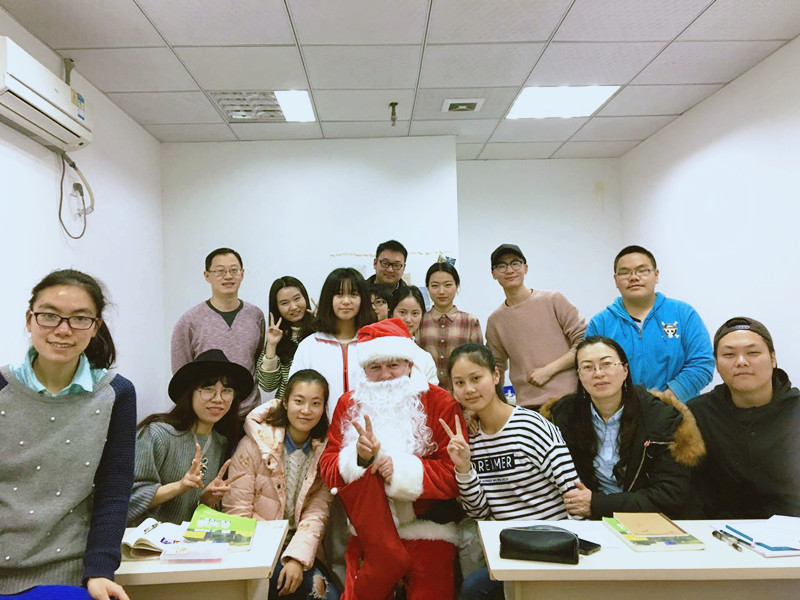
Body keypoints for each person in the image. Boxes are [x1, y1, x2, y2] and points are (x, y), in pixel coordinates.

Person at [0, 269, 136, 600]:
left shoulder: (116, 394)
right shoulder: (2, 387)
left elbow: (114, 490)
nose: (63, 330)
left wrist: (101, 570)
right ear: (29, 320)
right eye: (49, 316)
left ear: (95, 326)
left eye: (79, 319)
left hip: (68, 573)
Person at [319, 318, 465, 600]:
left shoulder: (440, 402)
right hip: (369, 536)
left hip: (427, 531)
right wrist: (359, 459)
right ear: (364, 369)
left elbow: (454, 475)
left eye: (393, 365)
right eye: (375, 367)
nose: (385, 375)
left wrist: (399, 469)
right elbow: (328, 469)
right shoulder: (348, 404)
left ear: (409, 364)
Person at [443, 342, 579, 600]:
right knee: (472, 588)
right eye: (459, 383)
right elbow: (479, 513)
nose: (469, 389)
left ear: (495, 376)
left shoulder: (532, 427)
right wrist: (464, 468)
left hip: (555, 545)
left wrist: (576, 556)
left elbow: (573, 493)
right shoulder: (469, 438)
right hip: (510, 549)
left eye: (476, 378)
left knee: (474, 590)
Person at [541, 336, 705, 520]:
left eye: (607, 364)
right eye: (587, 367)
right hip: (587, 522)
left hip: (651, 522)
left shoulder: (661, 417)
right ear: (579, 375)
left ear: (625, 370)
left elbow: (670, 494)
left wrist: (597, 504)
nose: (598, 373)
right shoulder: (562, 416)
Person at [224, 370, 338, 600]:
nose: (306, 410)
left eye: (315, 403)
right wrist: (272, 556)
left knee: (325, 593)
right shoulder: (254, 444)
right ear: (285, 402)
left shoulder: (325, 452)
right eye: (299, 401)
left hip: (300, 547)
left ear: (323, 408)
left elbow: (317, 513)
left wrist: (296, 559)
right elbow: (237, 511)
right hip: (254, 545)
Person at [688, 317, 800, 518]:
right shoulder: (698, 414)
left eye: (753, 353)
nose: (741, 362)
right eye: (729, 354)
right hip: (719, 530)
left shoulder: (795, 409)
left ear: (773, 359)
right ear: (717, 364)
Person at [128, 349, 252, 526]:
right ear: (190, 393)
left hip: (188, 540)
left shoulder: (221, 442)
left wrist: (206, 500)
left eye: (226, 390)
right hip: (145, 539)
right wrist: (180, 486)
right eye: (208, 389)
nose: (218, 399)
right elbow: (128, 501)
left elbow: (197, 514)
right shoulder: (157, 434)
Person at [586, 245, 714, 403]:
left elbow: (702, 363)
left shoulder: (683, 313)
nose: (634, 277)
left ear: (656, 275)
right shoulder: (601, 323)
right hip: (623, 410)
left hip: (678, 409)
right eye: (625, 272)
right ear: (616, 280)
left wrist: (665, 402)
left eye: (642, 270)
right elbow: (591, 370)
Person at [485, 243, 586, 409]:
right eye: (501, 266)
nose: (509, 270)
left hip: (570, 400)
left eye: (515, 263)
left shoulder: (554, 300)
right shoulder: (495, 321)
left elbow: (584, 342)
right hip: (528, 407)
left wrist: (549, 370)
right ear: (493, 274)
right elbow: (496, 367)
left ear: (525, 268)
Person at [171, 248, 266, 418]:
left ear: (242, 274)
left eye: (234, 270)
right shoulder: (189, 321)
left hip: (248, 415)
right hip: (208, 417)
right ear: (207, 276)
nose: (228, 276)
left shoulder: (256, 315)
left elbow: (257, 360)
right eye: (220, 271)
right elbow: (182, 374)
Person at [289, 268, 375, 421]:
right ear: (328, 298)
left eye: (353, 294)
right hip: (320, 431)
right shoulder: (310, 346)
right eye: (339, 294)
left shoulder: (375, 343)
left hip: (369, 430)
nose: (346, 301)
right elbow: (295, 394)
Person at [418, 262, 482, 391]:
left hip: (462, 395)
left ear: (456, 286)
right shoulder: (419, 321)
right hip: (427, 395)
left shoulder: (470, 321)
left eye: (447, 285)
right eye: (435, 286)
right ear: (428, 288)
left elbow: (478, 364)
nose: (441, 291)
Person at [256, 276, 315, 400]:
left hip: (320, 402)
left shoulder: (322, 331)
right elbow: (268, 386)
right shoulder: (276, 336)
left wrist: (326, 327)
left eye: (297, 299)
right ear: (277, 308)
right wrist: (272, 345)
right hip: (288, 405)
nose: (293, 307)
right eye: (284, 303)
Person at [389, 285, 438, 384]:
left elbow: (432, 392)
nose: (408, 319)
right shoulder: (376, 350)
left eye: (415, 313)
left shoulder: (425, 358)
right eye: (402, 312)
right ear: (391, 313)